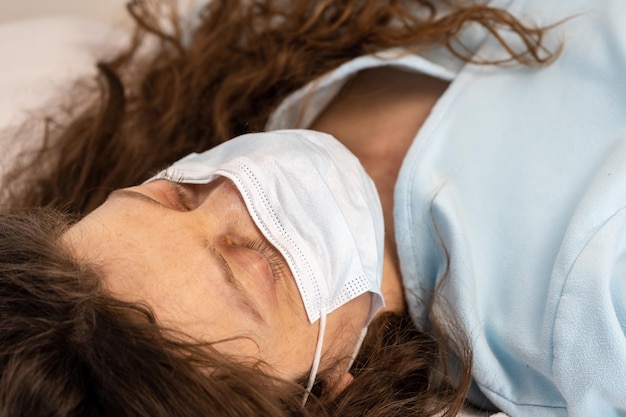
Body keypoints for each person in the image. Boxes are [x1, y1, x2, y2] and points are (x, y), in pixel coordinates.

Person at [1, 0, 625, 416]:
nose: (234, 188)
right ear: (321, 390)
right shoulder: (584, 314)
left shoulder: (255, 45)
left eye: (171, 194)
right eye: (252, 260)